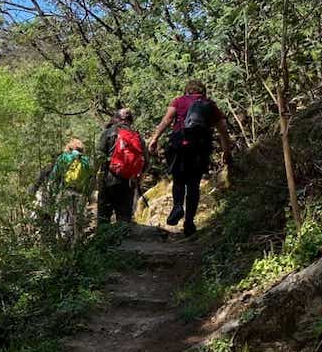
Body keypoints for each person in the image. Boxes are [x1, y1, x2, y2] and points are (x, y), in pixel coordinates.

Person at [147, 80, 233, 236]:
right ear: (203, 91)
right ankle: (189, 223)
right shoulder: (210, 105)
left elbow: (167, 120)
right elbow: (222, 130)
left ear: (187, 90)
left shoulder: (179, 101)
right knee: (194, 184)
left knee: (178, 179)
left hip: (180, 145)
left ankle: (178, 206)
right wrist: (226, 151)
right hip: (200, 148)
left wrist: (154, 138)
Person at [97, 108, 146, 226]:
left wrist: (97, 175)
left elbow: (99, 156)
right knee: (124, 216)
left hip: (109, 179)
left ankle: (103, 235)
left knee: (104, 215)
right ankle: (123, 235)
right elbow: (146, 161)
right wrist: (137, 177)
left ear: (116, 119)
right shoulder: (137, 137)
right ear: (131, 120)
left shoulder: (108, 133)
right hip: (129, 182)